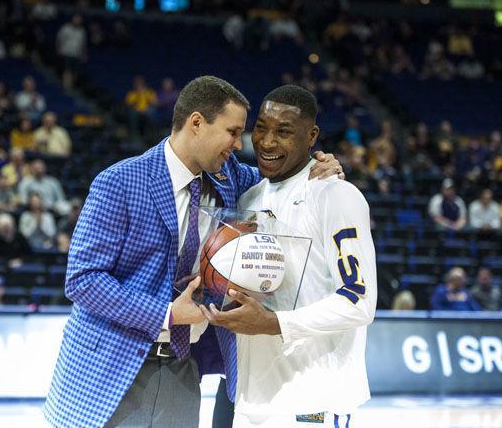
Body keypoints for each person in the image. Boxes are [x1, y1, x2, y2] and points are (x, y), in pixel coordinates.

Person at [43, 76, 343, 428]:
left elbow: (280, 180)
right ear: (196, 123)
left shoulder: (230, 175)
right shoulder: (119, 182)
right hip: (112, 364)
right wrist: (167, 313)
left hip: (182, 368)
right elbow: (82, 281)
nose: (238, 143)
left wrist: (318, 167)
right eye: (231, 132)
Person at [201, 85, 377, 427]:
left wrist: (275, 324)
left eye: (284, 132)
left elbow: (360, 300)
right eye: (262, 127)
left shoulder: (336, 195)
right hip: (252, 399)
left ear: (311, 136)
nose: (267, 141)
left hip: (314, 398)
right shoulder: (249, 199)